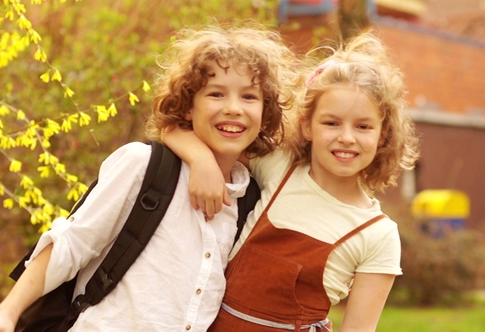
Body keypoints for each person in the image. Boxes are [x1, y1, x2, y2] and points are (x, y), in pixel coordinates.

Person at [0, 23, 301, 332]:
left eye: (249, 97)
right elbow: (71, 243)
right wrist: (6, 314)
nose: (233, 108)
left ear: (265, 110)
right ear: (188, 107)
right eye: (215, 94)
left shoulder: (249, 199)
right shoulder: (144, 165)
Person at [162, 30, 420, 331]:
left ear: (383, 135)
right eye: (331, 122)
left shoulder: (378, 234)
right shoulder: (280, 167)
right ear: (306, 125)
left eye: (363, 126)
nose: (346, 138)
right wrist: (201, 161)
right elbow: (173, 130)